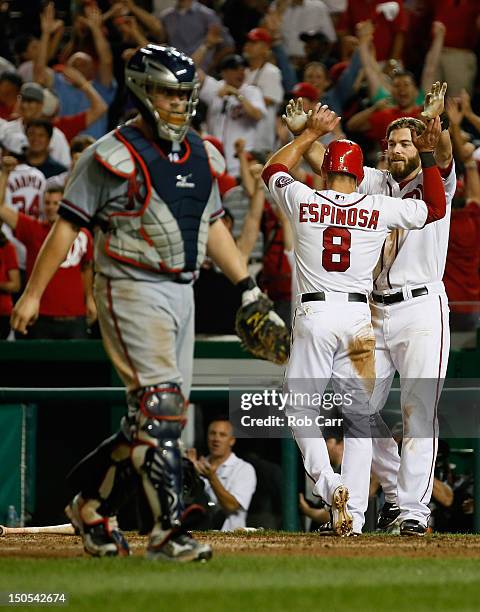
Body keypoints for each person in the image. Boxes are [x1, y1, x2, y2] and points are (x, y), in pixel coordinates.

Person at [10, 44, 279, 562]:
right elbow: (67, 225)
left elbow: (214, 226)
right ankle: (166, 530)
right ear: (142, 91)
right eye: (168, 93)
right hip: (127, 285)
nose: (179, 104)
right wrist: (34, 292)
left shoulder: (203, 153)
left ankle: (89, 505)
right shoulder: (108, 154)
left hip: (184, 291)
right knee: (162, 406)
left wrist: (247, 285)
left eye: (184, 94)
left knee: (152, 422)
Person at [262, 103, 447, 535]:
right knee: (362, 416)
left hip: (316, 312)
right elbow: (434, 208)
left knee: (301, 406)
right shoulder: (379, 206)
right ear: (359, 173)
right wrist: (433, 157)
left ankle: (333, 490)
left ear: (324, 172)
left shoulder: (305, 200)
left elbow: (272, 170)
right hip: (360, 317)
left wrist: (307, 134)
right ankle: (355, 510)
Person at [0, 167, 95, 340]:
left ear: (65, 204)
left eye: (56, 203)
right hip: (39, 317)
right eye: (47, 203)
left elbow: (86, 268)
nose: (51, 208)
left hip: (75, 317)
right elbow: (0, 208)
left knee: (80, 367)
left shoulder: (83, 234)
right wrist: (5, 174)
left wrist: (89, 298)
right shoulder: (32, 229)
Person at [187, 419, 256, 531]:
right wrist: (189, 473)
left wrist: (212, 478)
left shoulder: (243, 469)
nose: (216, 439)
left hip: (229, 540)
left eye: (222, 435)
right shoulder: (197, 465)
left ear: (232, 440)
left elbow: (232, 506)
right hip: (197, 535)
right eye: (212, 434)